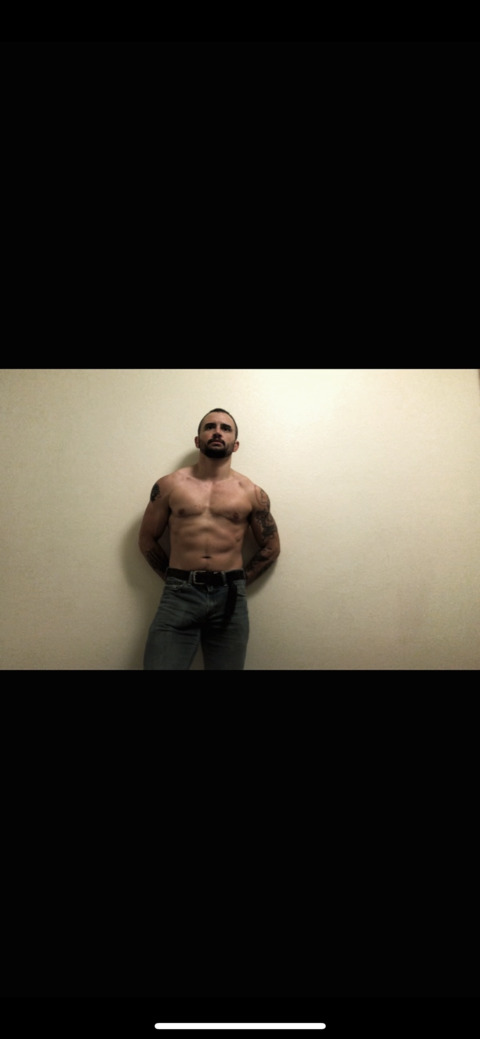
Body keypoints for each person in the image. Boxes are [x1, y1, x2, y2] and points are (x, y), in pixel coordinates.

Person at [139, 408, 280, 670]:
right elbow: (147, 539)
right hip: (179, 594)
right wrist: (173, 579)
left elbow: (271, 547)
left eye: (225, 428)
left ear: (235, 445)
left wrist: (237, 583)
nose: (217, 432)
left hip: (230, 598)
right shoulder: (170, 485)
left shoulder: (251, 492)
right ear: (197, 440)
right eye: (210, 427)